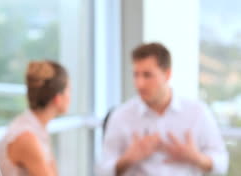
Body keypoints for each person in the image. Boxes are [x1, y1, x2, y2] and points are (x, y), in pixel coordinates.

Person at [97, 42, 228, 176]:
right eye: (136, 74)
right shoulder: (120, 115)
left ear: (167, 74)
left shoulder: (198, 112)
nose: (139, 84)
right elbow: (102, 170)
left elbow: (222, 165)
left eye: (147, 75)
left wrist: (196, 158)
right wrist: (128, 159)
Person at [0, 60, 71, 176]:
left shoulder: (36, 127)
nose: (70, 96)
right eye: (68, 90)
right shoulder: (27, 138)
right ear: (58, 98)